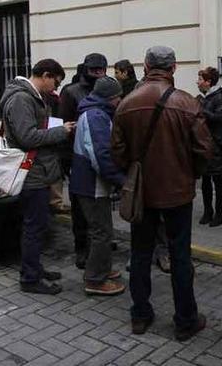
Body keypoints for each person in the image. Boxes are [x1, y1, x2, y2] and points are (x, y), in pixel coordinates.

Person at [112, 46, 213, 341]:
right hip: (178, 193)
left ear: (145, 67)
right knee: (180, 255)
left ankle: (140, 316)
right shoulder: (187, 103)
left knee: (141, 253)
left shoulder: (126, 103)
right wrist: (188, 173)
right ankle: (185, 320)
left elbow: (116, 153)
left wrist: (135, 169)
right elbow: (205, 151)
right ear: (173, 68)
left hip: (142, 192)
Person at [0, 59, 75, 295]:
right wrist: (59, 132)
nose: (55, 89)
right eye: (55, 82)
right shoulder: (22, 98)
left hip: (37, 170)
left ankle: (35, 268)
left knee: (38, 225)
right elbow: (27, 137)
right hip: (31, 173)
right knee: (34, 226)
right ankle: (30, 278)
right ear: (45, 75)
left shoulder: (32, 96)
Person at [71, 76, 127, 296]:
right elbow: (101, 155)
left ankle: (102, 268)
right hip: (91, 185)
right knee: (101, 232)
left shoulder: (96, 112)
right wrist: (120, 181)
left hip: (89, 183)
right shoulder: (96, 116)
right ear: (109, 98)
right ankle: (95, 280)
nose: (120, 100)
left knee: (102, 230)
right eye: (118, 97)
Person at [60, 53, 109, 270]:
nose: (99, 74)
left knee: (101, 208)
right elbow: (62, 127)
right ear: (86, 70)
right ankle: (82, 247)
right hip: (77, 157)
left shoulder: (107, 88)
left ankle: (98, 244)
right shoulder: (71, 92)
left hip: (101, 155)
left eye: (102, 70)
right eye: (95, 71)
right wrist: (66, 162)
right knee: (80, 209)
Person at [196, 66, 222, 227]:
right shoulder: (202, 98)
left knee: (217, 179)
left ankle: (219, 211)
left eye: (200, 79)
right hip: (204, 144)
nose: (197, 82)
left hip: (216, 144)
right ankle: (207, 211)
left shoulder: (219, 98)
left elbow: (220, 118)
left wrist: (202, 110)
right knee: (206, 180)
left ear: (208, 82)